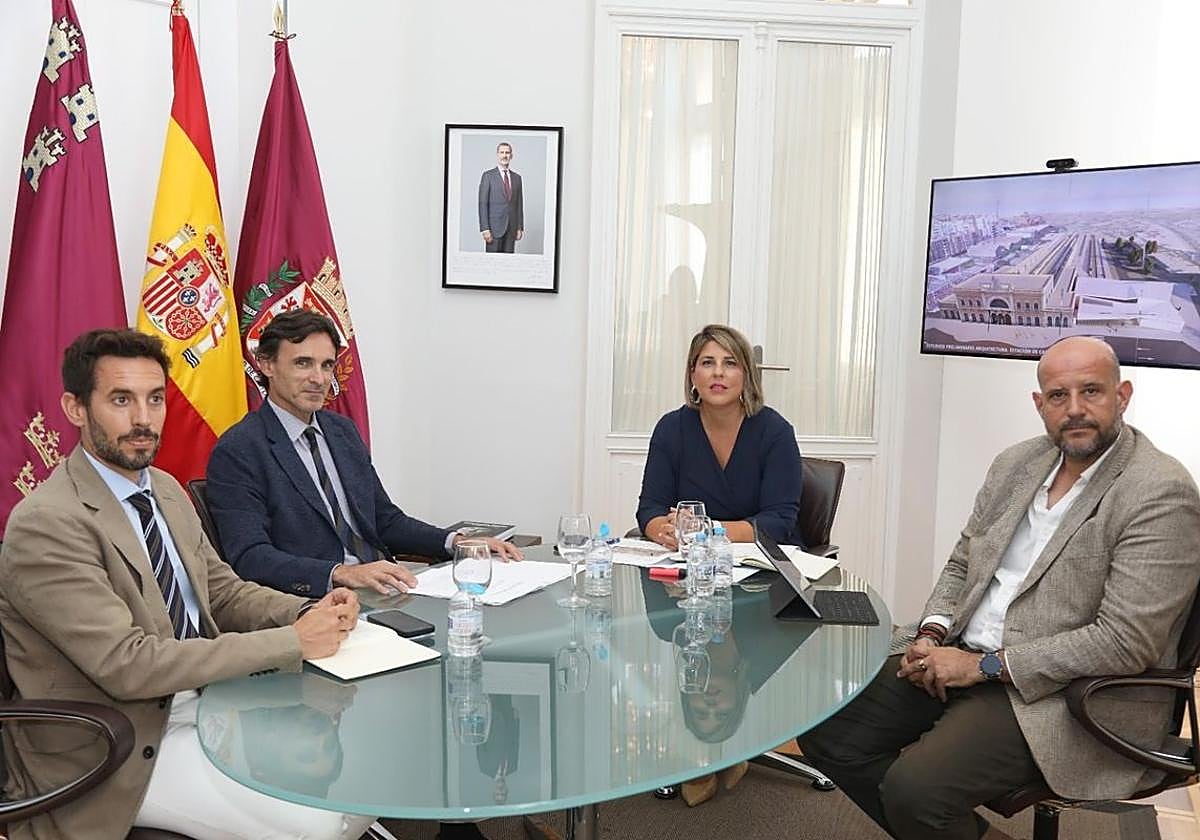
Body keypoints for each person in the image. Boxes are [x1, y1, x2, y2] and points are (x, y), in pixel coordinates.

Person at [797, 336, 1200, 840]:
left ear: (1122, 395)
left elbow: (1125, 641)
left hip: (1059, 691)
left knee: (915, 791)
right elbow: (965, 560)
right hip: (961, 654)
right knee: (828, 731)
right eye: (1058, 396)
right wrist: (932, 632)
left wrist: (985, 667)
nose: (1074, 410)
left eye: (1091, 391)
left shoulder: (1159, 490)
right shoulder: (1017, 464)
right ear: (1040, 404)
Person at [0, 328, 373, 840]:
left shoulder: (166, 490)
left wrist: (304, 610)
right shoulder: (47, 523)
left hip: (210, 703)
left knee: (357, 773)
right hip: (123, 747)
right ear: (75, 408)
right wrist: (290, 643)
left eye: (155, 399)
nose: (142, 419)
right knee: (322, 823)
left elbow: (222, 592)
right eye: (120, 400)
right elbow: (129, 666)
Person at [206, 309, 522, 600]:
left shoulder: (341, 431)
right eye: (303, 363)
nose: (319, 379)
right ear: (267, 364)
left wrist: (456, 543)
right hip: (315, 604)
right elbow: (250, 557)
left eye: (327, 365)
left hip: (386, 590)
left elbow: (385, 521)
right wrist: (341, 574)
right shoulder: (240, 450)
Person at [636, 323, 803, 547]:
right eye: (707, 363)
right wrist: (666, 532)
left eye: (730, 363)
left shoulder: (775, 432)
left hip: (760, 568)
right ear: (693, 374)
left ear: (746, 375)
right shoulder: (670, 429)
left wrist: (706, 530)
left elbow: (778, 521)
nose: (718, 372)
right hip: (689, 565)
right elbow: (650, 507)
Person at [478, 141, 524, 253]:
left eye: (507, 153)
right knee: (492, 264)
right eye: (502, 152)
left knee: (508, 265)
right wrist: (485, 228)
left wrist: (520, 227)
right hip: (493, 229)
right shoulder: (488, 176)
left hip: (511, 229)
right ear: (497, 155)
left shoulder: (517, 178)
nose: (505, 155)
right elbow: (482, 204)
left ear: (511, 156)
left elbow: (519, 204)